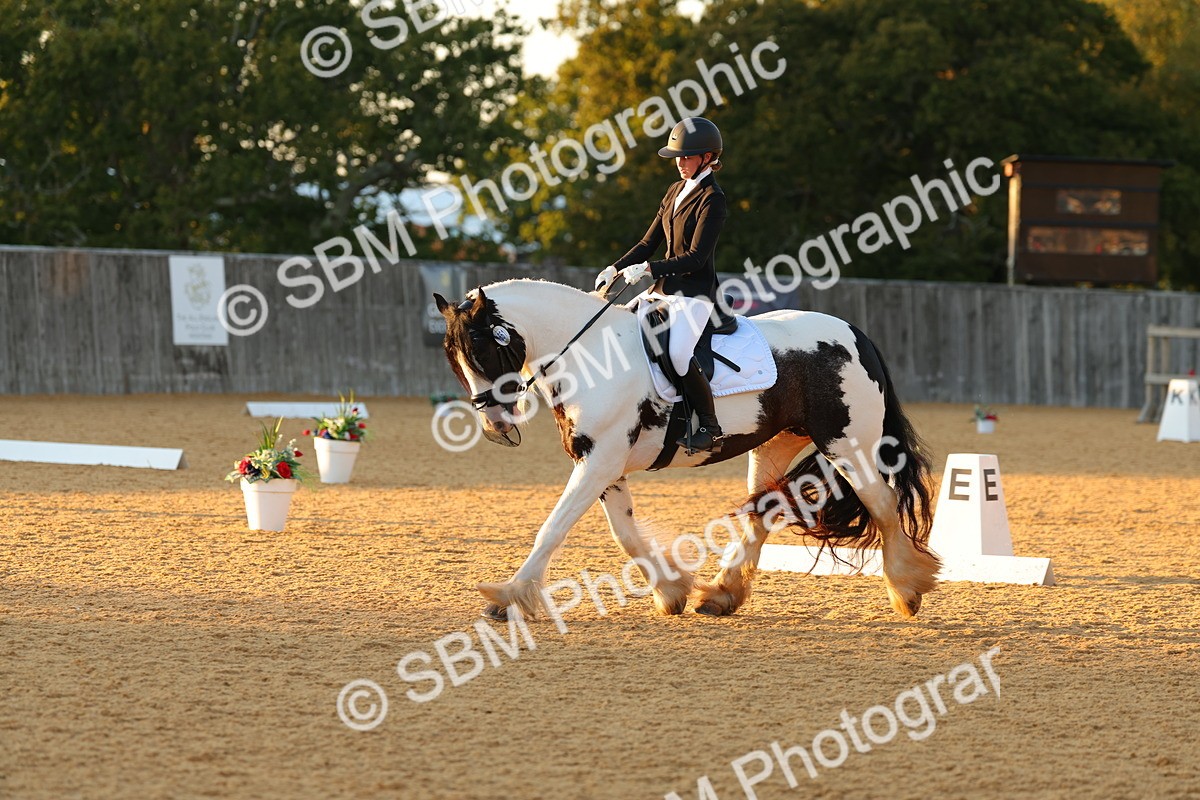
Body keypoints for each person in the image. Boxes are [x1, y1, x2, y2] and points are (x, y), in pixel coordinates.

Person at [595, 116, 728, 452]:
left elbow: (697, 257)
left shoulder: (713, 198)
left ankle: (710, 428)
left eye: (686, 157)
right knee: (621, 332)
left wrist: (650, 269)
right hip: (662, 292)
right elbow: (647, 242)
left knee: (679, 354)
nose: (680, 163)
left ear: (708, 157)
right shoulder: (674, 191)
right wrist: (615, 267)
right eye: (678, 158)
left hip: (694, 295)